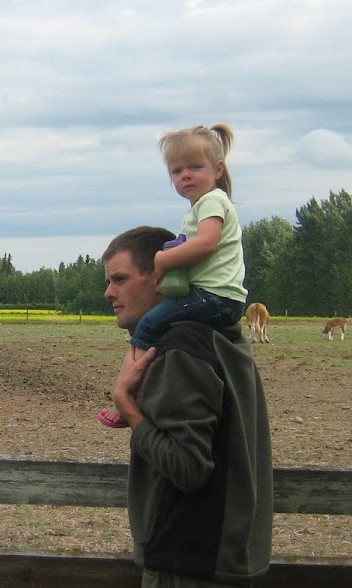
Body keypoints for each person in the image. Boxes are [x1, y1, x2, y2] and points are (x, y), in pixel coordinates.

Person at [101, 226, 273, 588]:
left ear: (162, 278)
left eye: (120, 279)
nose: (109, 293)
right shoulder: (224, 339)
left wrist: (128, 408)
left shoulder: (181, 350)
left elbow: (187, 467)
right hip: (228, 558)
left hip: (189, 563)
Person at [98, 123, 248, 427]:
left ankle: (131, 391)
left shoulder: (183, 348)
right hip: (219, 298)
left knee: (149, 327)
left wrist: (162, 260)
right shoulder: (199, 209)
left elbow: (205, 244)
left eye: (120, 279)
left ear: (218, 170)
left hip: (213, 296)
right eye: (177, 171)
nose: (186, 175)